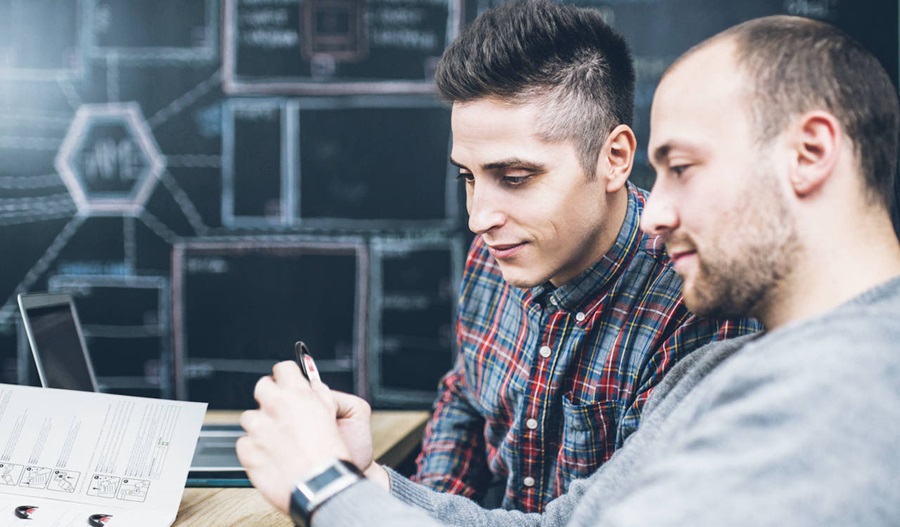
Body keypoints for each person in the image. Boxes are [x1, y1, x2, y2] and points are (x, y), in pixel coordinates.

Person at [237, 12, 900, 527]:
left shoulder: (852, 385)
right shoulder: (730, 370)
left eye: (683, 168)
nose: (653, 211)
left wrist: (323, 488)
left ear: (810, 154)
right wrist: (371, 484)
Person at [410, 0, 758, 512]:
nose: (479, 218)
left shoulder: (698, 306)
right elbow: (465, 395)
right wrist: (421, 509)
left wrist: (377, 497)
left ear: (614, 159)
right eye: (468, 177)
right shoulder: (496, 252)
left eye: (514, 178)